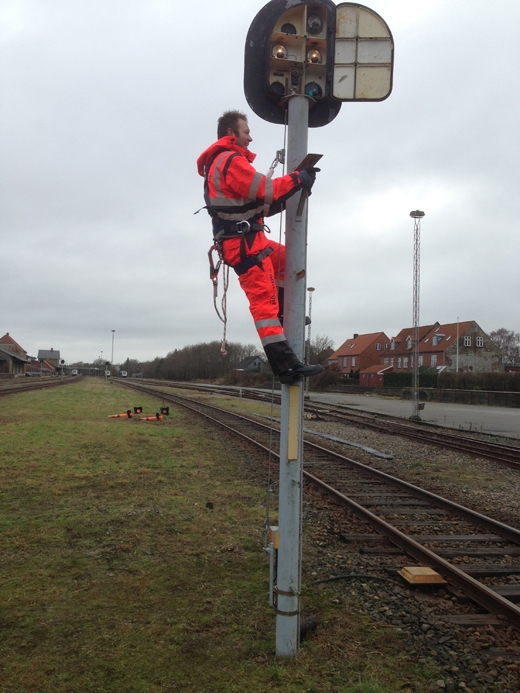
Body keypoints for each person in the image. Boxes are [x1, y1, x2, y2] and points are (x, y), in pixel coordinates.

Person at [197, 110, 323, 385]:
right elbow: (265, 189)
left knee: (289, 260)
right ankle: (287, 367)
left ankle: (282, 312)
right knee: (262, 306)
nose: (250, 138)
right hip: (243, 246)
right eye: (246, 132)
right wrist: (297, 180)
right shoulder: (230, 160)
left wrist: (294, 185)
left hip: (249, 240)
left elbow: (257, 203)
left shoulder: (223, 162)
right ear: (232, 134)